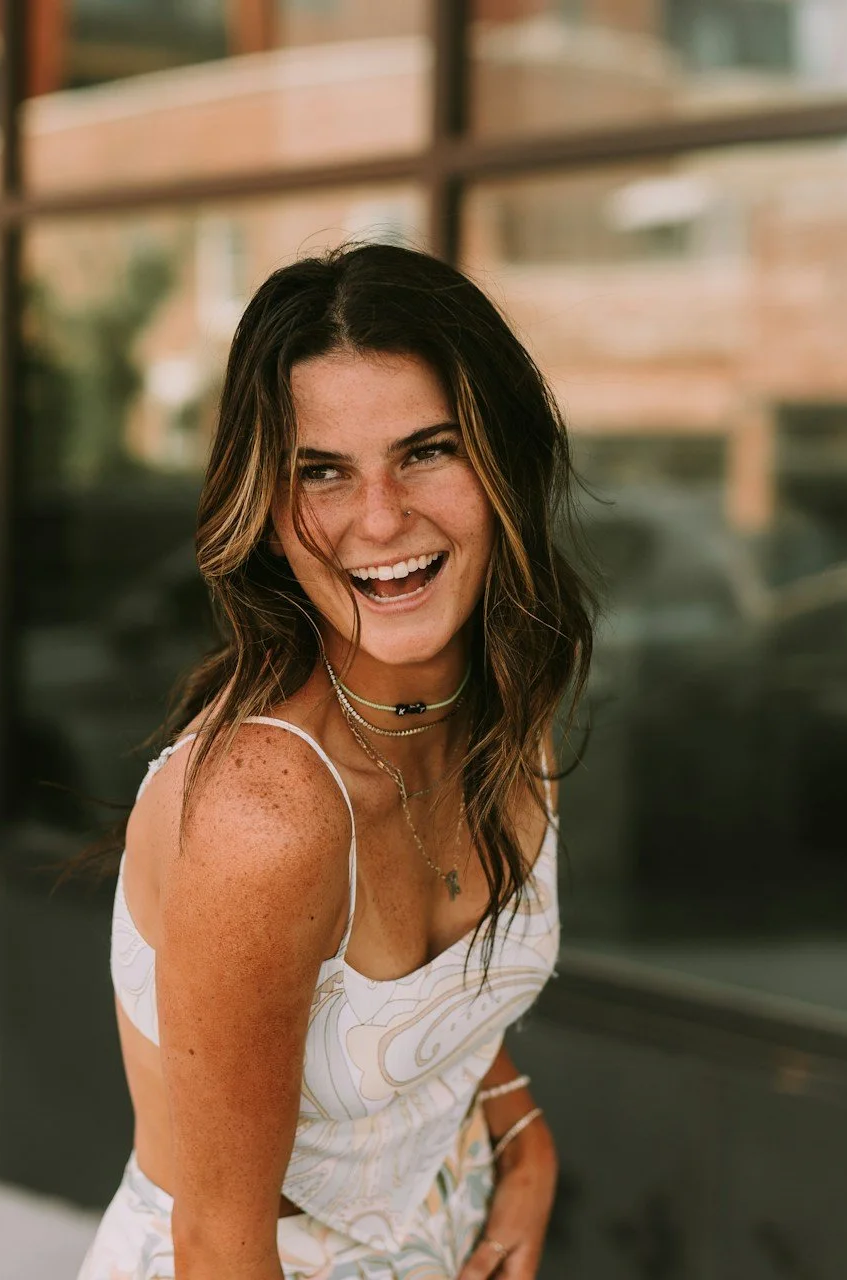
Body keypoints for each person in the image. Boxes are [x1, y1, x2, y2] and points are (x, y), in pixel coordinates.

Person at [75, 243, 595, 1280]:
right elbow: (219, 1243)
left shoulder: (502, 709)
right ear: (265, 511)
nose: (380, 518)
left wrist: (518, 1134)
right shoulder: (268, 813)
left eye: (427, 450)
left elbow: (417, 1011)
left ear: (504, 460)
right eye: (322, 469)